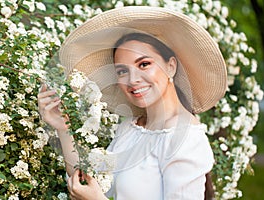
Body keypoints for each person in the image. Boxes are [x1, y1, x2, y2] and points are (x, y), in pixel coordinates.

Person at [38, 6, 227, 200]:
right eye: (122, 71)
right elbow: (90, 182)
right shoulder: (132, 127)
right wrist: (63, 127)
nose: (132, 79)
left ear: (171, 66)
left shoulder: (186, 139)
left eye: (144, 64)